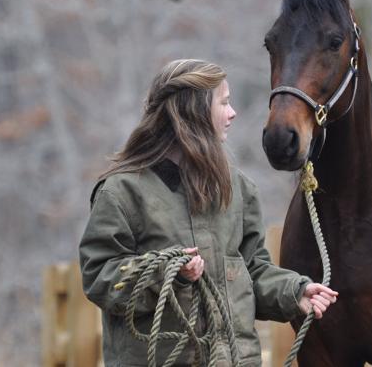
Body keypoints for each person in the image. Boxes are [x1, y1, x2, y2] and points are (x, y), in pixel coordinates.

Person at [79, 59, 338, 366]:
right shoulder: (122, 192)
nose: (233, 113)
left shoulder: (239, 188)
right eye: (224, 103)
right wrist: (169, 273)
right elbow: (99, 278)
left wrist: (295, 292)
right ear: (194, 111)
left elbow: (251, 271)